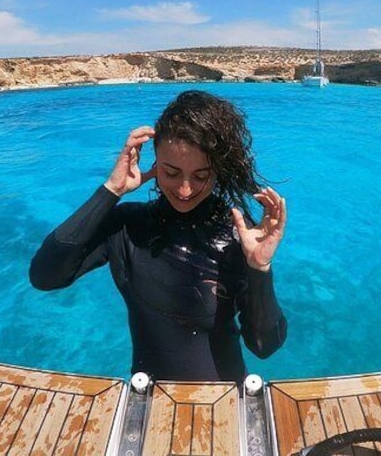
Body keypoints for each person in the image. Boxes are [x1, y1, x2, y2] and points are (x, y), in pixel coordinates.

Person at [29, 90, 287, 382]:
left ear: (218, 171)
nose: (185, 190)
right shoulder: (127, 226)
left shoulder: (237, 236)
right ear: (155, 163)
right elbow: (44, 277)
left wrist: (259, 269)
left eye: (201, 176)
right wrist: (111, 190)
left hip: (224, 401)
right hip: (150, 402)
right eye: (172, 172)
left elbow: (265, 346)